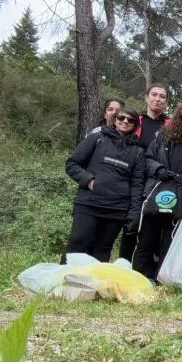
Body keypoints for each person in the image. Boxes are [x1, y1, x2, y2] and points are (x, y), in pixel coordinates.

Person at [133, 102, 182, 280]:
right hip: (156, 190)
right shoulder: (164, 136)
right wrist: (159, 170)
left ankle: (161, 278)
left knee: (170, 240)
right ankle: (137, 277)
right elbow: (149, 157)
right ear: (179, 119)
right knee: (146, 239)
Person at [64, 109, 145, 262]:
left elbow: (137, 185)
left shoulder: (138, 152)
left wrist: (134, 214)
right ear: (115, 120)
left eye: (131, 120)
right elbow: (72, 164)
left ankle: (95, 286)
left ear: (135, 125)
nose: (125, 121)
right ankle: (64, 282)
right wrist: (88, 180)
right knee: (77, 244)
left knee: (102, 251)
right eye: (122, 118)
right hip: (88, 204)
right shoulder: (97, 138)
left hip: (117, 210)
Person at [119, 83, 170, 262]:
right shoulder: (134, 120)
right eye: (154, 95)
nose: (157, 99)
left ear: (166, 101)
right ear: (147, 98)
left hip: (156, 181)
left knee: (151, 226)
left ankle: (147, 267)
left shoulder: (169, 125)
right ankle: (123, 263)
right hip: (130, 179)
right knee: (130, 223)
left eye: (162, 96)